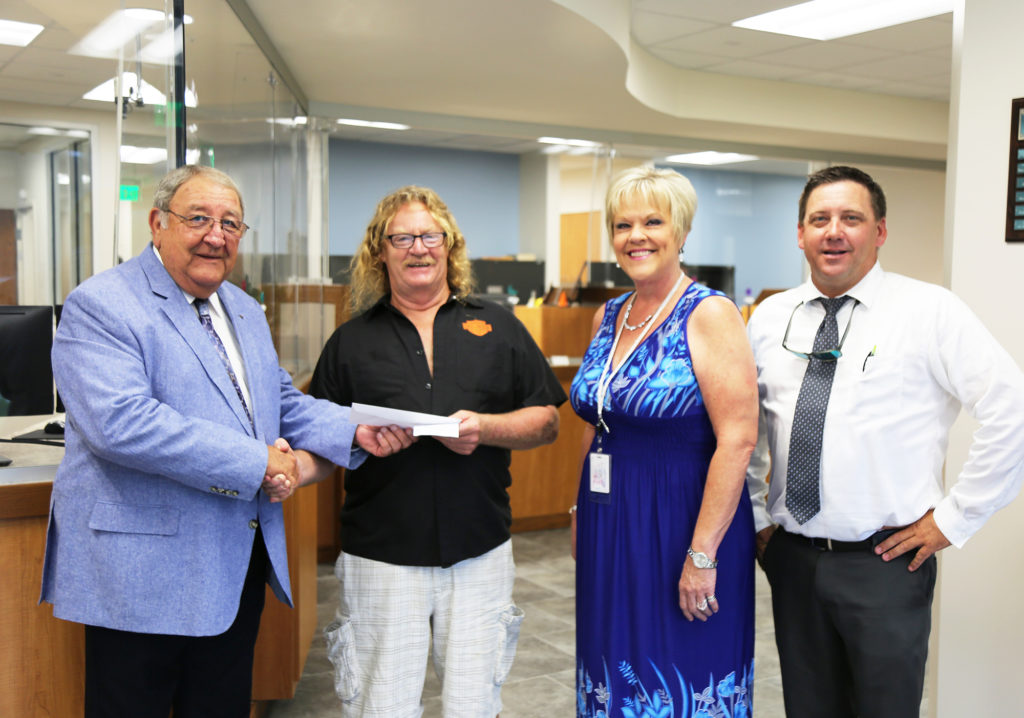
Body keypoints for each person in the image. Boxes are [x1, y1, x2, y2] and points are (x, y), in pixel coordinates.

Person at [39, 165, 409, 718]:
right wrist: (259, 461)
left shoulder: (241, 308)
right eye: (199, 219)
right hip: (141, 576)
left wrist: (350, 429)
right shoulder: (102, 304)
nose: (216, 234)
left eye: (231, 223)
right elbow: (123, 423)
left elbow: (276, 400)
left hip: (233, 563)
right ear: (157, 223)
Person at [746, 165, 1024, 718]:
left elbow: (1011, 408)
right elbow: (746, 428)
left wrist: (953, 520)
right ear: (799, 233)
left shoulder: (929, 311)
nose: (834, 231)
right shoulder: (769, 318)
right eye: (819, 219)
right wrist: (758, 518)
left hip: (884, 566)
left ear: (880, 231)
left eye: (852, 218)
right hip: (793, 560)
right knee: (808, 708)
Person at [308, 185, 567, 717]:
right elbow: (317, 429)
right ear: (379, 251)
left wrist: (485, 429)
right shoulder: (350, 341)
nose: (417, 248)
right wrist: (353, 439)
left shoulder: (498, 326)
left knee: (473, 706)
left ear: (450, 246)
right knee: (383, 705)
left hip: (480, 550)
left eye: (430, 235)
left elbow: (546, 421)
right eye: (401, 237)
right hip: (381, 556)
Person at [571, 166, 759, 717]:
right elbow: (596, 418)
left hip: (683, 519)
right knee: (613, 662)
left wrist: (702, 555)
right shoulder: (609, 314)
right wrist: (578, 509)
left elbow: (739, 440)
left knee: (680, 670)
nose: (637, 236)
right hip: (611, 519)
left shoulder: (710, 313)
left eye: (653, 221)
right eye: (622, 224)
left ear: (680, 230)